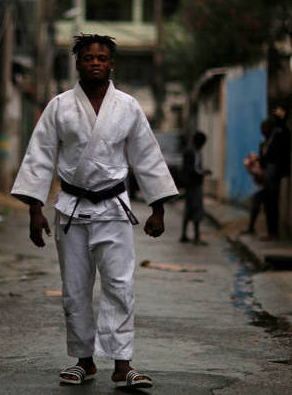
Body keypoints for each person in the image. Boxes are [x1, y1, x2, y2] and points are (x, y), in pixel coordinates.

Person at [11, 34, 178, 389]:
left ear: (111, 64)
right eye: (88, 58)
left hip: (114, 209)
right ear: (78, 63)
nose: (95, 63)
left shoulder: (127, 106)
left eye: (102, 58)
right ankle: (83, 361)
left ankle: (122, 364)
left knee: (120, 285)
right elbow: (39, 156)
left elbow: (147, 156)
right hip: (71, 209)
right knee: (74, 289)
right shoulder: (59, 106)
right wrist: (35, 210)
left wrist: (158, 208)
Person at [245, 109, 290, 239]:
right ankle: (267, 231)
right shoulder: (275, 135)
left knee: (270, 202)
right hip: (271, 172)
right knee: (266, 201)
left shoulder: (279, 133)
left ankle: (272, 232)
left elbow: (272, 154)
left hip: (273, 172)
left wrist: (258, 159)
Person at [179, 132, 211, 244]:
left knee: (188, 209)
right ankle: (196, 237)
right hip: (194, 185)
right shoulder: (194, 152)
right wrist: (204, 172)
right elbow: (195, 169)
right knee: (196, 209)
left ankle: (184, 235)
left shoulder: (189, 151)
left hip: (189, 185)